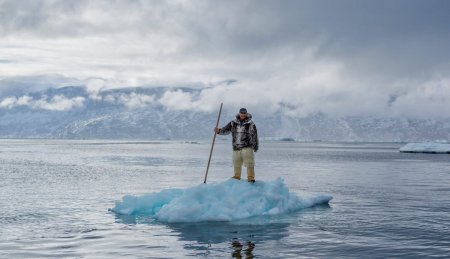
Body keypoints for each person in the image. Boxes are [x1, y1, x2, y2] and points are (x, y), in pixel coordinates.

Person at [215, 108, 259, 182]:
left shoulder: (251, 123)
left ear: (246, 113)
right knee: (236, 162)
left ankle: (251, 177)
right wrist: (219, 131)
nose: (242, 114)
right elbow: (225, 130)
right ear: (239, 113)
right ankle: (236, 177)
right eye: (241, 113)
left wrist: (255, 146)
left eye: (244, 113)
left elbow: (254, 135)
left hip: (247, 146)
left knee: (249, 162)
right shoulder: (233, 122)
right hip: (236, 147)